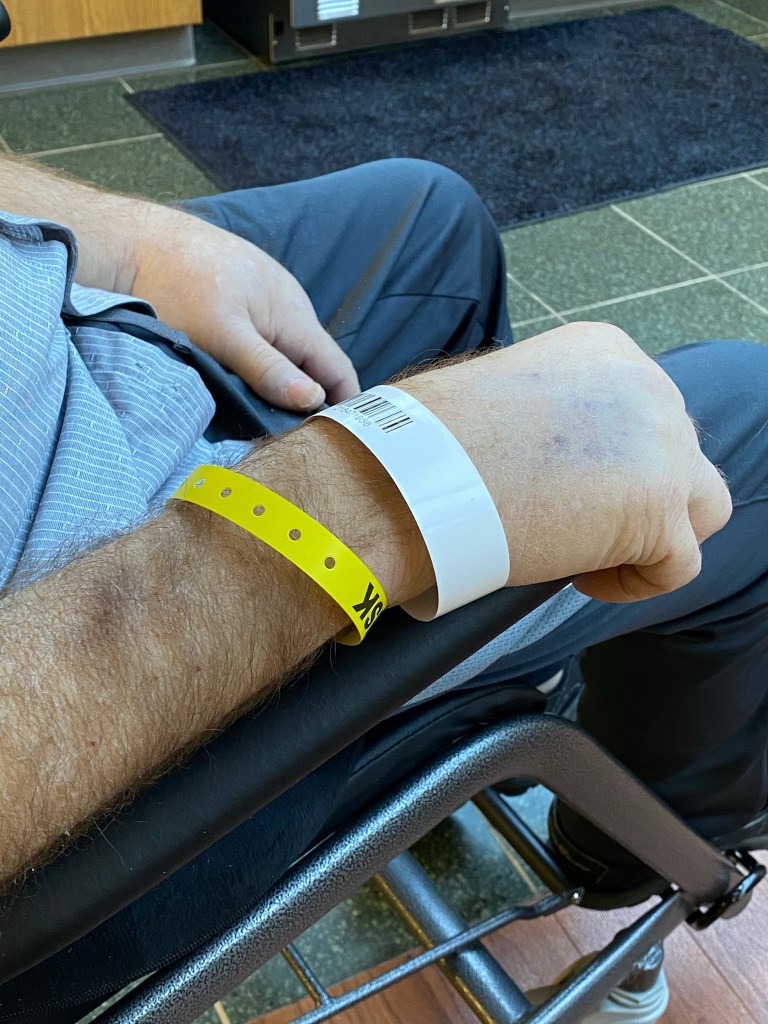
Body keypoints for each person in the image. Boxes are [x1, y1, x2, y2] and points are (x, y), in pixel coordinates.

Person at [0, 155, 765, 1024]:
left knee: (435, 223)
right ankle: (625, 851)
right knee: (752, 414)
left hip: (64, 349)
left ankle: (504, 680)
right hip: (88, 673)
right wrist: (370, 501)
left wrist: (135, 244)